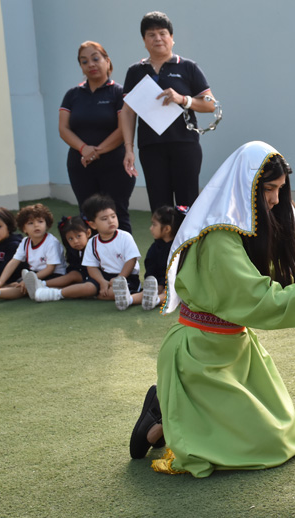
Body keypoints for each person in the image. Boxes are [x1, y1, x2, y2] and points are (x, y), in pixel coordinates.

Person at [128, 141, 295, 477]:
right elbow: (262, 302)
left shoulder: (248, 228)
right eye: (269, 189)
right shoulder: (219, 239)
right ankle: (161, 419)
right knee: (268, 444)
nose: (276, 199)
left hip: (236, 348)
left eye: (280, 189)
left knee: (282, 434)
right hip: (199, 355)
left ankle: (171, 410)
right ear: (246, 187)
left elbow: (281, 288)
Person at [120, 11, 216, 212]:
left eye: (162, 33)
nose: (158, 38)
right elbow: (127, 112)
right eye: (151, 35)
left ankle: (188, 235)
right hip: (151, 147)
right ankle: (164, 236)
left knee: (187, 205)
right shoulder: (135, 71)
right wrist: (129, 149)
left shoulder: (188, 67)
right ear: (144, 41)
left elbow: (210, 104)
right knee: (159, 206)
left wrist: (183, 99)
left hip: (185, 144)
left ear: (172, 38)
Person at [59, 41, 135, 233]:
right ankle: (91, 254)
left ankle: (126, 254)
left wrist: (96, 151)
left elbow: (123, 128)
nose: (91, 64)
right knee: (88, 217)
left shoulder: (119, 93)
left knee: (116, 215)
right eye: (84, 61)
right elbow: (63, 129)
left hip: (115, 165)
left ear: (107, 61)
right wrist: (84, 149)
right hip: (81, 165)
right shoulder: (72, 95)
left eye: (95, 59)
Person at [27, 195, 141, 308]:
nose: (111, 221)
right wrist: (102, 281)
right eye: (104, 219)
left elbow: (131, 261)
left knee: (113, 292)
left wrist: (119, 278)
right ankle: (54, 294)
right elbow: (92, 267)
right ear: (93, 225)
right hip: (104, 276)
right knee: (88, 287)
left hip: (126, 277)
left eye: (113, 216)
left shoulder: (125, 237)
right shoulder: (92, 242)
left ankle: (98, 295)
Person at [0, 204, 66, 303]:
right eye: (30, 223)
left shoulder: (51, 243)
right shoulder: (25, 242)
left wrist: (31, 280)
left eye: (40, 221)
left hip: (54, 276)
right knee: (16, 284)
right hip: (35, 274)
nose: (36, 225)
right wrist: (1, 281)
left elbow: (50, 269)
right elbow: (13, 262)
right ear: (24, 228)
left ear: (47, 225)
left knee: (23, 287)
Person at [23, 216, 92, 300]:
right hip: (81, 276)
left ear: (88, 233)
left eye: (78, 236)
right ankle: (41, 287)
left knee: (74, 276)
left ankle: (42, 285)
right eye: (70, 239)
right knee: (72, 276)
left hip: (92, 277)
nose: (75, 241)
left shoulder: (94, 247)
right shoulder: (73, 250)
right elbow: (74, 266)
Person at [140, 205, 188, 310]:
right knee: (146, 292)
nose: (151, 228)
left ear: (167, 229)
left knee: (170, 292)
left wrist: (162, 284)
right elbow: (150, 267)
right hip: (158, 283)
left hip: (173, 283)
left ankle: (155, 300)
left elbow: (177, 272)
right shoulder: (155, 247)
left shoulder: (179, 249)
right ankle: (129, 299)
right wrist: (153, 281)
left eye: (154, 225)